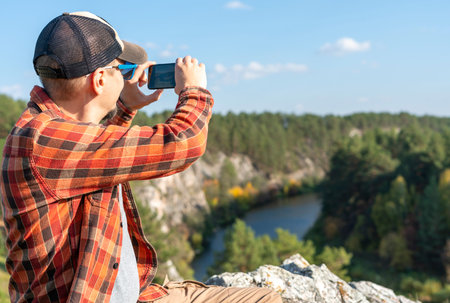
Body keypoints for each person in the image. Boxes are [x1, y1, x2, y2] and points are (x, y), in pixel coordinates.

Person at [0, 11, 282, 303]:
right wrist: (194, 90)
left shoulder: (46, 131)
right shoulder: (47, 141)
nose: (126, 77)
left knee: (265, 298)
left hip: (122, 295)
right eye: (120, 70)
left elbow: (94, 158)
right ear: (99, 80)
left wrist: (124, 108)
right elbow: (183, 142)